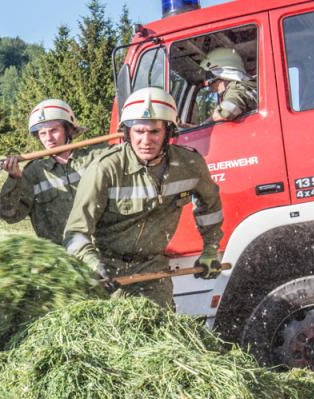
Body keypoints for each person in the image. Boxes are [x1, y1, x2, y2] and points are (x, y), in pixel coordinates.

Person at [64, 87, 225, 309]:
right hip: (107, 271)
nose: (146, 140)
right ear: (127, 133)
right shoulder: (105, 169)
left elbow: (211, 207)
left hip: (153, 270)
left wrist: (210, 248)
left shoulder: (190, 165)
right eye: (139, 132)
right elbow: (75, 234)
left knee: (160, 330)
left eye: (154, 132)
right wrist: (94, 266)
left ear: (168, 132)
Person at [0, 99, 102, 245]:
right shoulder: (34, 172)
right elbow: (10, 215)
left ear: (69, 130)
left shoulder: (94, 158)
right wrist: (14, 179)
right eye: (43, 133)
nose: (49, 139)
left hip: (99, 251)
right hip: (60, 259)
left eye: (54, 130)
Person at [201, 48, 257, 123]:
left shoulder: (236, 88)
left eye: (210, 78)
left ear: (223, 75)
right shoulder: (250, 85)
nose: (210, 88)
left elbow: (226, 112)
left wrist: (204, 125)